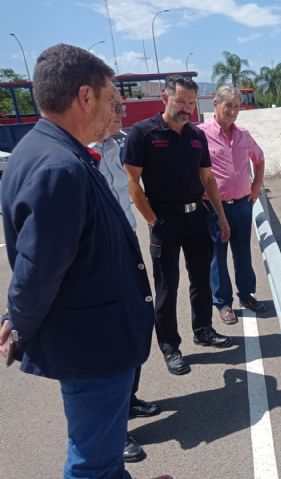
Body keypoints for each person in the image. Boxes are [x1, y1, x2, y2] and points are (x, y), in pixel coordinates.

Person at [0, 44, 163, 479]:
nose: (120, 111)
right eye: (114, 100)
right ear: (85, 97)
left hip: (93, 339)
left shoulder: (51, 151)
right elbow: (39, 268)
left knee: (102, 454)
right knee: (92, 462)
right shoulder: (59, 167)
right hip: (93, 346)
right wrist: (18, 323)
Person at [124, 75, 232, 376]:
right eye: (180, 101)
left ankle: (203, 330)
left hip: (196, 217)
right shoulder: (143, 134)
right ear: (165, 98)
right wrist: (152, 219)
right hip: (164, 220)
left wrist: (221, 216)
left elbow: (207, 178)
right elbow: (132, 182)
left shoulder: (196, 136)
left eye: (191, 103)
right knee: (167, 286)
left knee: (200, 278)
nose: (186, 108)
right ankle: (170, 346)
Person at [89, 98, 161, 464]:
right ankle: (115, 432)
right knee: (108, 346)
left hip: (126, 246)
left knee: (134, 328)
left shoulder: (115, 146)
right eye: (114, 105)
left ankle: (129, 400)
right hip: (100, 258)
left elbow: (129, 190)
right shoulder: (78, 156)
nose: (121, 111)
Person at [197, 86, 265, 326]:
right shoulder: (200, 134)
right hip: (214, 208)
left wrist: (257, 185)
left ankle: (246, 295)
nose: (233, 111)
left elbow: (259, 158)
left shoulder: (244, 135)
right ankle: (223, 303)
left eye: (237, 106)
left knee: (243, 252)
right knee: (217, 255)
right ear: (216, 104)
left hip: (242, 205)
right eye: (229, 106)